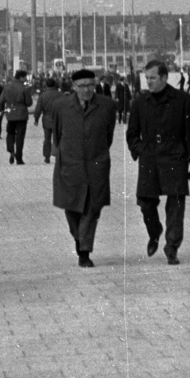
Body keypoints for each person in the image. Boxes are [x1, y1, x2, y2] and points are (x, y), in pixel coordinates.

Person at [126, 58, 190, 266]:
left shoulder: (182, 100)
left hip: (174, 157)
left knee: (176, 205)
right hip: (149, 158)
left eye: (153, 78)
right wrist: (140, 150)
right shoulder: (140, 103)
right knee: (145, 203)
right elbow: (131, 133)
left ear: (164, 77)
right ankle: (155, 232)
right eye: (147, 78)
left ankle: (172, 247)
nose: (149, 82)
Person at [52, 68, 117, 268]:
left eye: (91, 85)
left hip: (95, 166)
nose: (87, 89)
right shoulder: (61, 106)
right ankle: (80, 239)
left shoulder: (107, 105)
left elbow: (108, 136)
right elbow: (57, 134)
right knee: (71, 209)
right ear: (73, 87)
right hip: (69, 167)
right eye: (82, 86)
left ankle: (84, 251)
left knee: (91, 209)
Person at [0, 68, 31, 165]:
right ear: (21, 77)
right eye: (25, 77)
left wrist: (2, 110)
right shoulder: (24, 87)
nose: (26, 79)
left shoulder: (7, 86)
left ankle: (11, 151)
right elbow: (28, 102)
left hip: (10, 115)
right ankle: (19, 158)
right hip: (21, 115)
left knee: (10, 133)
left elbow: (1, 101)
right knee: (20, 137)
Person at [32, 76, 61, 163]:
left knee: (47, 139)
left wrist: (36, 119)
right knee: (58, 138)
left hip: (47, 119)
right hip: (58, 119)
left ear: (46, 85)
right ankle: (58, 154)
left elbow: (38, 109)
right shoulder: (60, 95)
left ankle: (47, 156)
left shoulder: (43, 96)